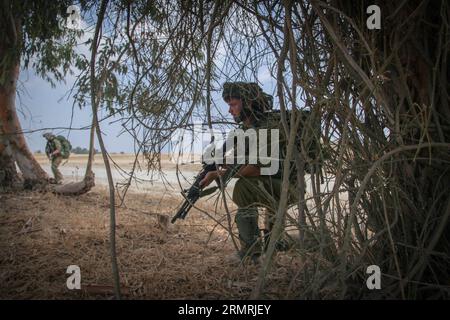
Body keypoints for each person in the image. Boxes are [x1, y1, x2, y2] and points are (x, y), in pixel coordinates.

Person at [199, 82, 295, 264]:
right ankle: (268, 246)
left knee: (244, 188)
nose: (230, 111)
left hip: (287, 187)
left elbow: (255, 168)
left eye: (233, 105)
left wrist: (219, 174)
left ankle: (252, 252)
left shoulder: (267, 127)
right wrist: (214, 165)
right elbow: (238, 160)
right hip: (273, 184)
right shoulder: (246, 129)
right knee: (247, 187)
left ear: (249, 103)